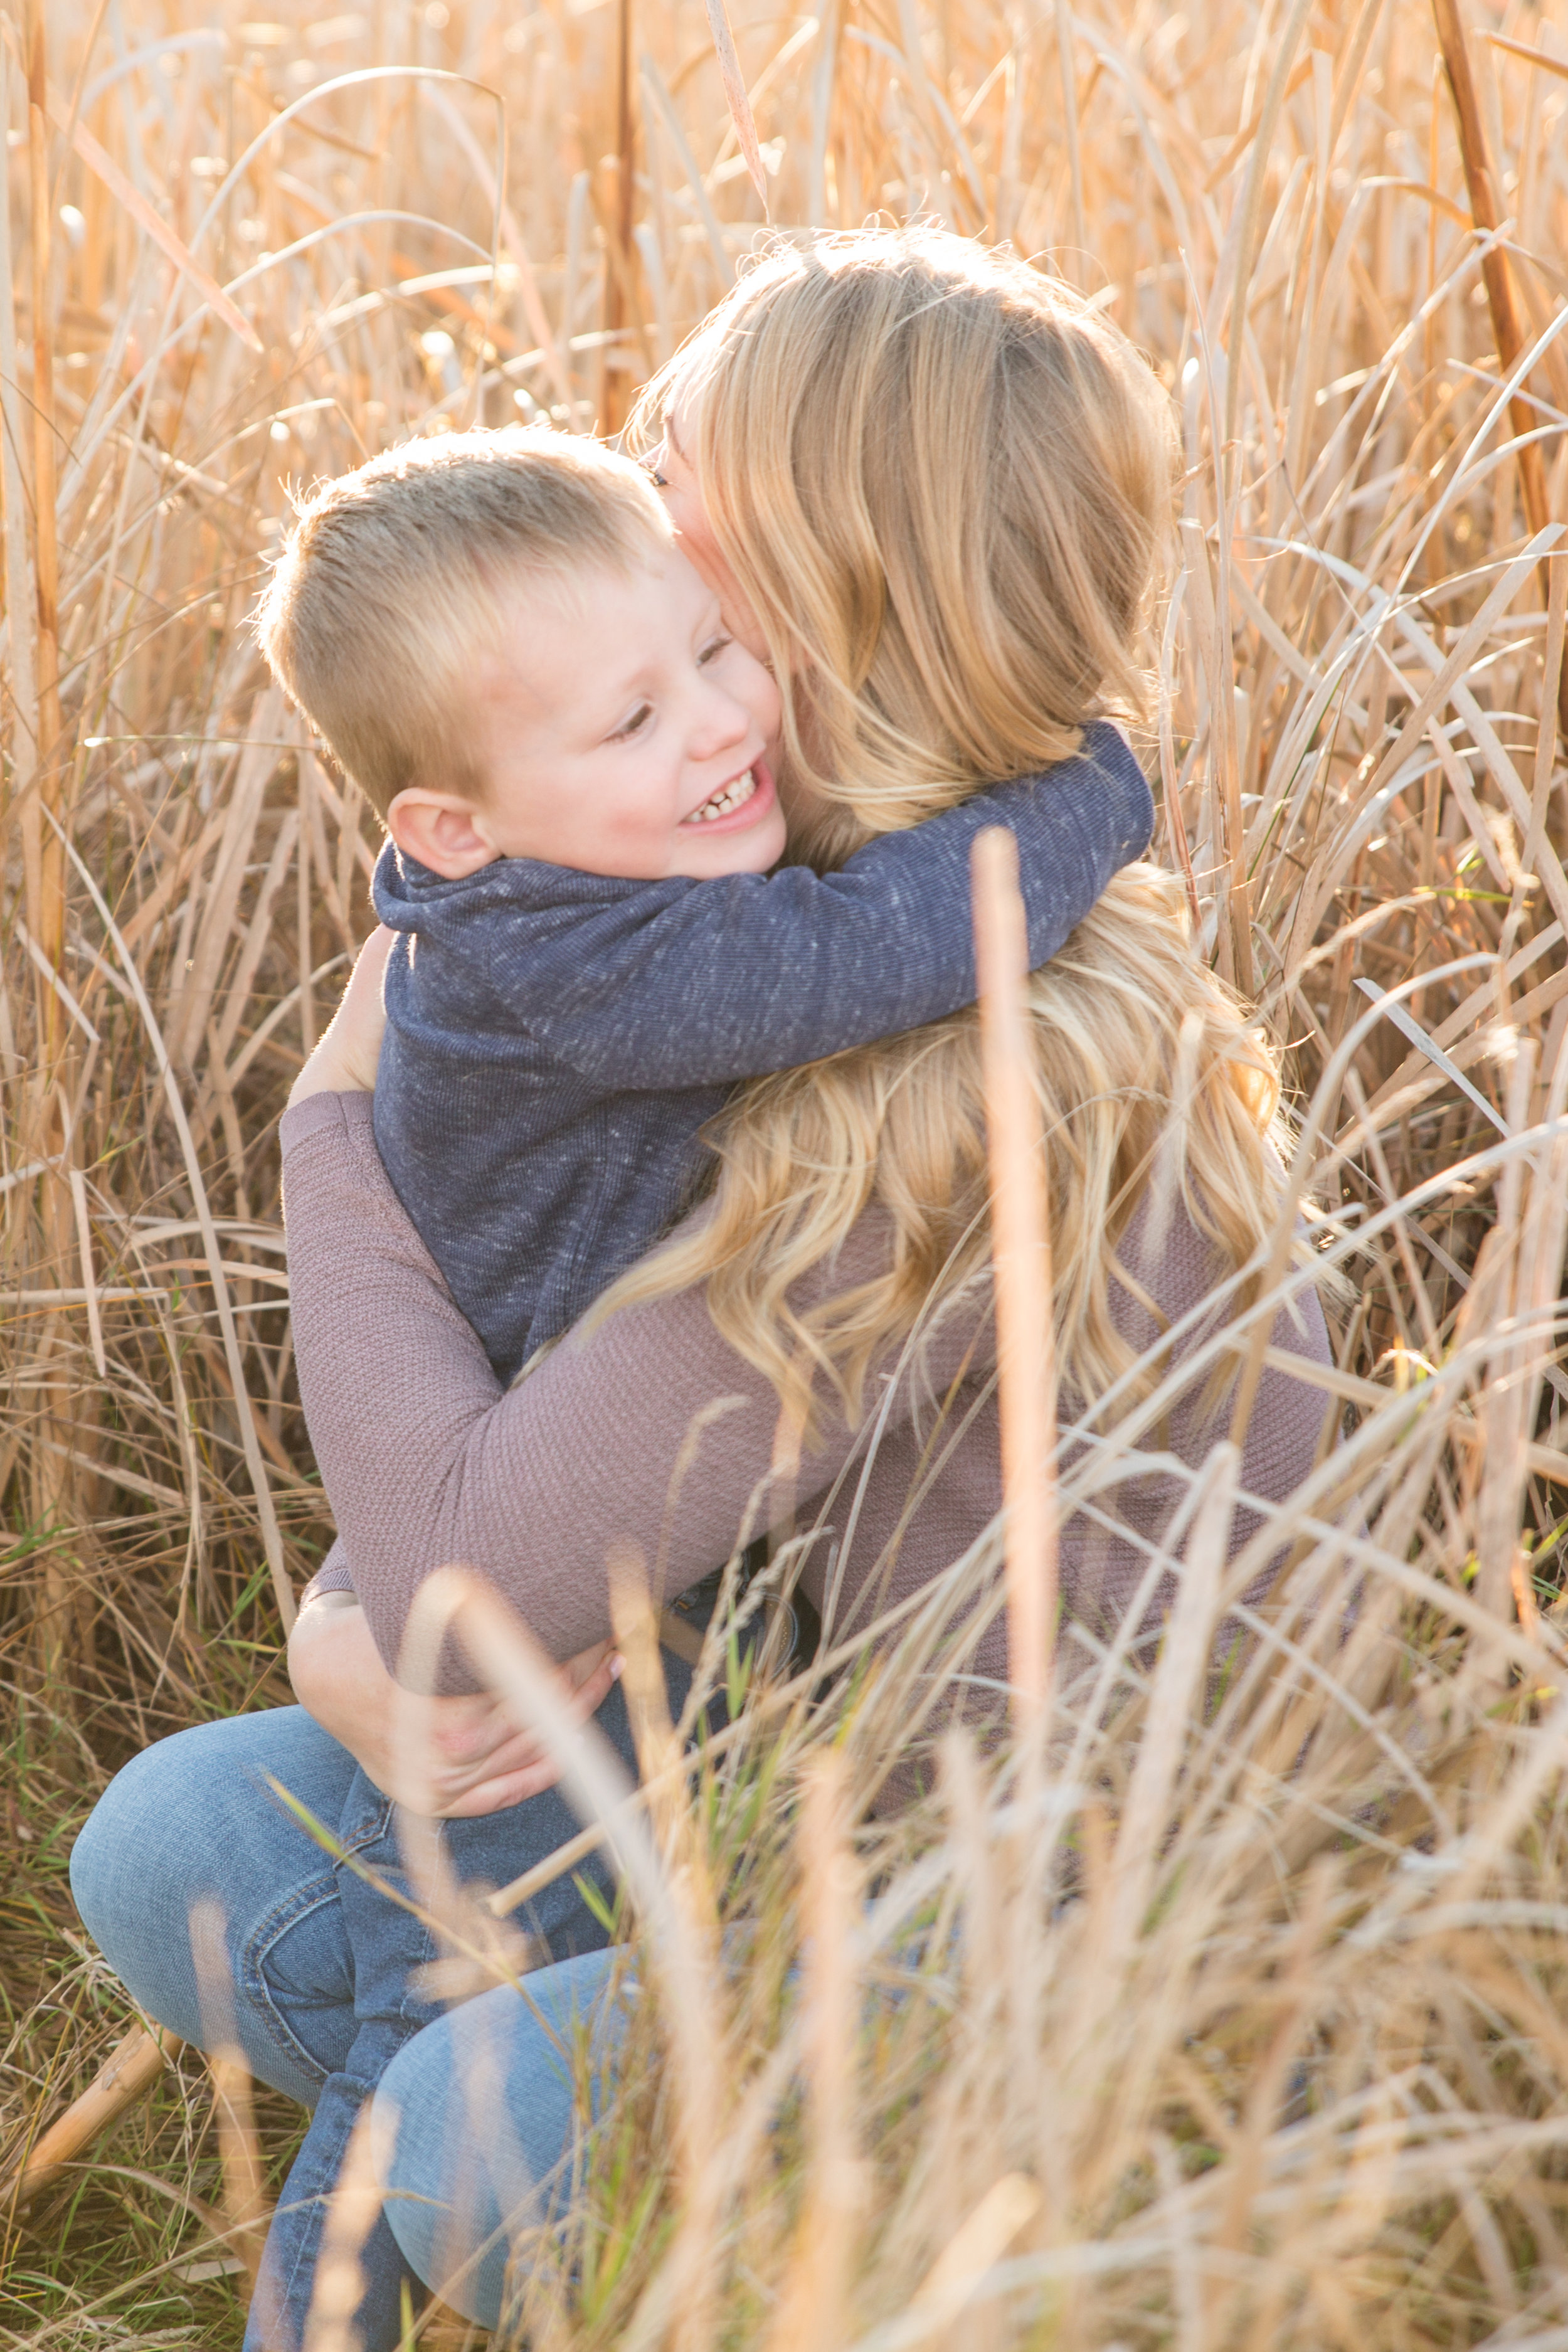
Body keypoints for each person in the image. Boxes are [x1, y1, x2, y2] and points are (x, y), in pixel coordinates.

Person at [68, 227, 1332, 2349]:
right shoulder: (847, 933)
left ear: (835, 596)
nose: (632, 537)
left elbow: (470, 1557)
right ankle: (623, 2162)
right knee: (177, 1839)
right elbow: (535, 1520)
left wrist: (334, 1101)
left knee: (462, 2122)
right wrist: (357, 1642)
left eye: (683, 515)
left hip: (1037, 1934)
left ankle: (788, 2248)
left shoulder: (937, 1084)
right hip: (764, 1783)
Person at [254, 428, 1153, 1387]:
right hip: (550, 1432)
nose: (722, 721)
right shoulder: (581, 967)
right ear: (455, 831)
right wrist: (1093, 786)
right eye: (635, 720)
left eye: (713, 646)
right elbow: (874, 942)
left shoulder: (536, 850)